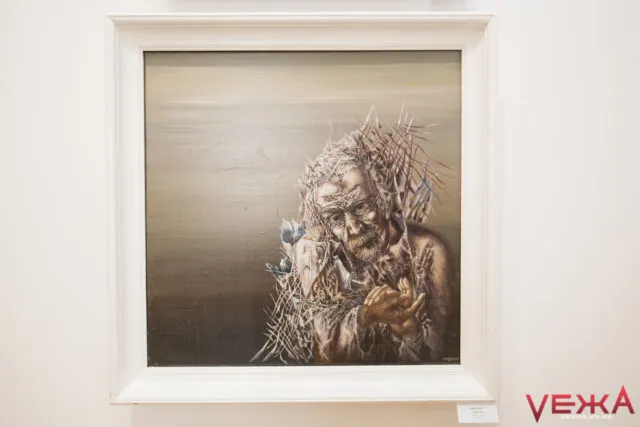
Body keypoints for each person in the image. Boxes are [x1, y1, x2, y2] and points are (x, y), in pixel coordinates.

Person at [253, 116, 456, 365]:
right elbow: (325, 357)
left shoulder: (427, 250)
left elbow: (435, 358)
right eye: (336, 218)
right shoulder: (313, 252)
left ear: (383, 199)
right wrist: (365, 317)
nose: (353, 227)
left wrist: (410, 332)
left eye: (360, 207)